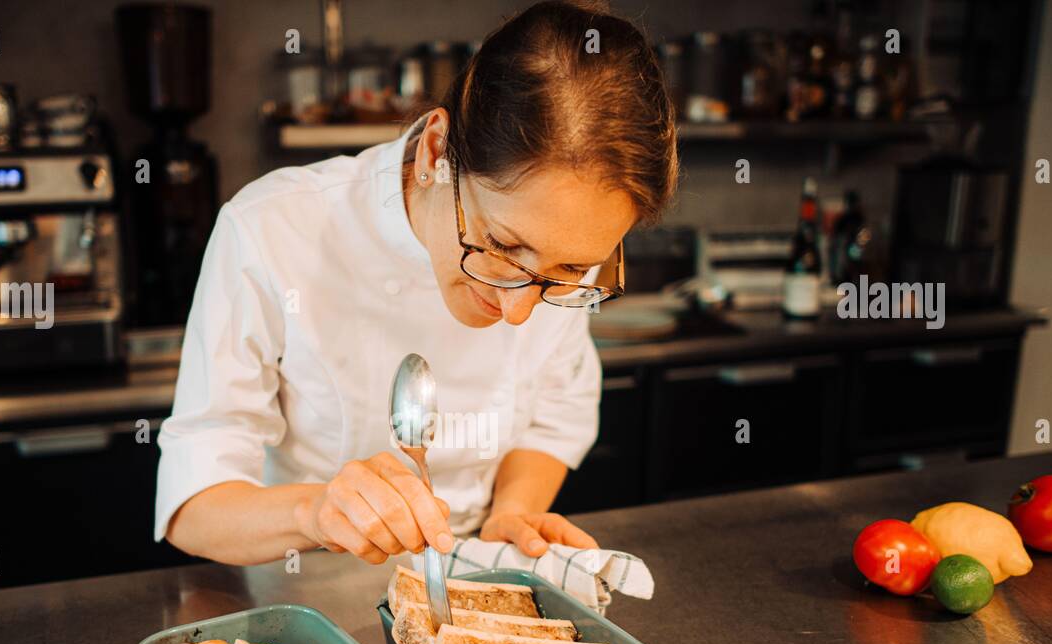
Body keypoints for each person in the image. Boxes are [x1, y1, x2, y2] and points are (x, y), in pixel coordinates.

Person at [156, 0, 678, 566]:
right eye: (502, 246)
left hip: (473, 574)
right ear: (435, 151)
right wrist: (316, 512)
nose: (521, 310)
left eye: (571, 271)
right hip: (302, 594)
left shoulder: (557, 248)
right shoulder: (272, 228)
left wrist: (512, 513)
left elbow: (556, 412)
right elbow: (193, 505)